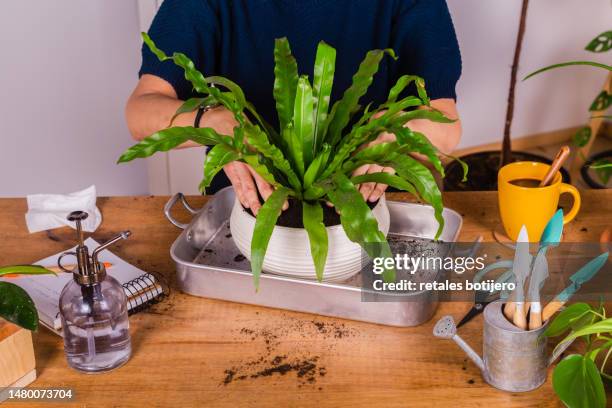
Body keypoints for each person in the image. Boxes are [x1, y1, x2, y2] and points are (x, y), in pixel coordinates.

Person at [126, 0, 462, 214]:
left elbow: (446, 125)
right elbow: (141, 111)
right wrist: (213, 121)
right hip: (251, 211)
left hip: (372, 212)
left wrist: (395, 133)